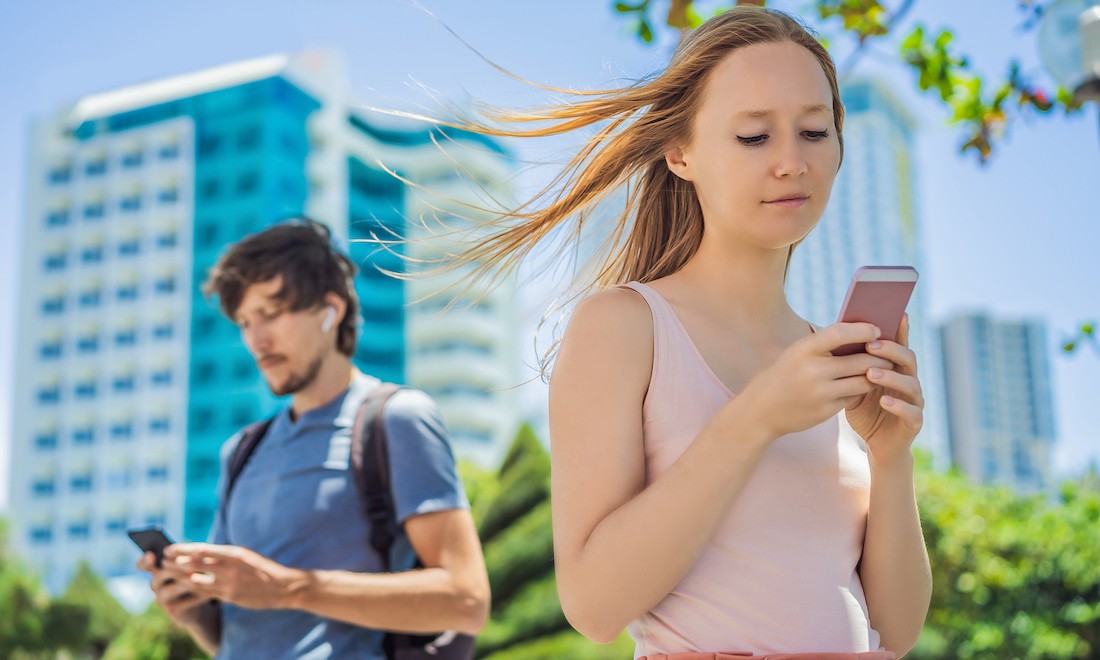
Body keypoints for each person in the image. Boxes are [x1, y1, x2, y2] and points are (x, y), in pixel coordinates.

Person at [439, 6, 932, 658]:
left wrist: (891, 456)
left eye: (815, 131)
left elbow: (896, 631)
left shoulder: (834, 358)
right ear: (681, 152)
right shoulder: (625, 326)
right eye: (754, 137)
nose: (792, 162)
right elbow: (593, 606)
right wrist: (756, 416)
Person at [136, 219, 490, 659]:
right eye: (245, 322)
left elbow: (467, 600)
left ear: (331, 309)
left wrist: (290, 588)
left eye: (271, 313)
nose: (257, 341)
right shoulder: (242, 452)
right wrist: (191, 611)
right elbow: (245, 638)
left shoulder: (395, 419)